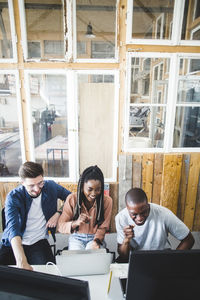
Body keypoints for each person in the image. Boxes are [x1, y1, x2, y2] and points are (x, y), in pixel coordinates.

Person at [0, 161, 71, 270]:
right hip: (13, 243)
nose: (37, 189)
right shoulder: (13, 197)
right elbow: (13, 229)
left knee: (49, 274)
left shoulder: (51, 186)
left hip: (37, 242)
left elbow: (71, 199)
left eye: (40, 183)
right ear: (22, 183)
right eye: (31, 185)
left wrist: (58, 213)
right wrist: (21, 260)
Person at [115, 187, 195, 262]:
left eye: (143, 212)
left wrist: (173, 261)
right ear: (127, 209)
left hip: (162, 258)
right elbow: (124, 256)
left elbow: (189, 239)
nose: (139, 218)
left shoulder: (163, 214)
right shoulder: (121, 218)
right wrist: (126, 240)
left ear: (148, 205)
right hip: (136, 260)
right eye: (134, 214)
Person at [58, 165, 113, 250]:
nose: (94, 193)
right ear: (82, 186)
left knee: (92, 256)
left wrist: (96, 242)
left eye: (98, 189)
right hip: (76, 237)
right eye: (90, 189)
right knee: (77, 259)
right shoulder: (72, 199)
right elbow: (61, 226)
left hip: (96, 237)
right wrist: (76, 223)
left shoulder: (107, 201)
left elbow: (103, 227)